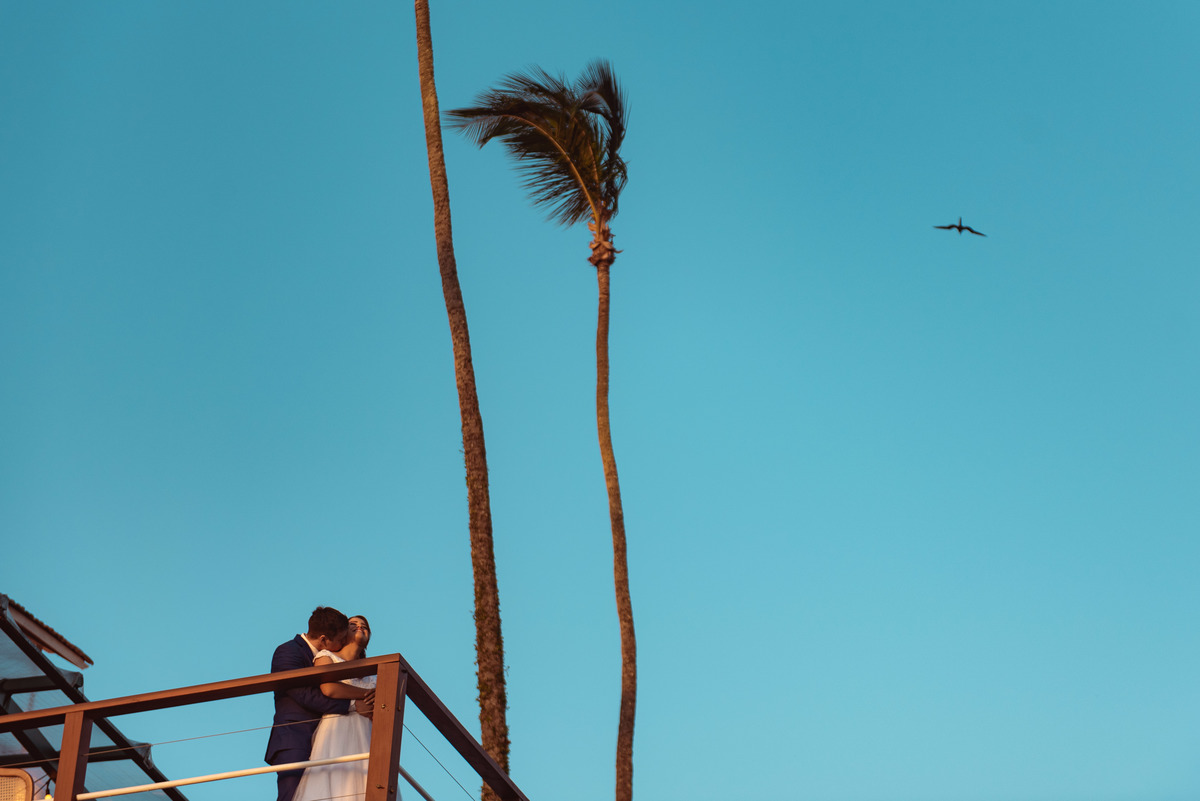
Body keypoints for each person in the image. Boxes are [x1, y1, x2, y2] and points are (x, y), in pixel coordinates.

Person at [265, 607, 375, 801]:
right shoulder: (288, 652)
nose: (342, 642)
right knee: (294, 796)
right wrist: (352, 705)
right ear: (324, 639)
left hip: (336, 737)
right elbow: (303, 694)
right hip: (297, 737)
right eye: (341, 639)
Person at [293, 615, 382, 801]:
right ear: (342, 633)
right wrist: (364, 696)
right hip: (338, 731)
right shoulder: (326, 657)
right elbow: (329, 687)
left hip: (367, 735)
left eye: (364, 625)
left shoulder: (376, 676)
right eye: (353, 624)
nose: (359, 627)